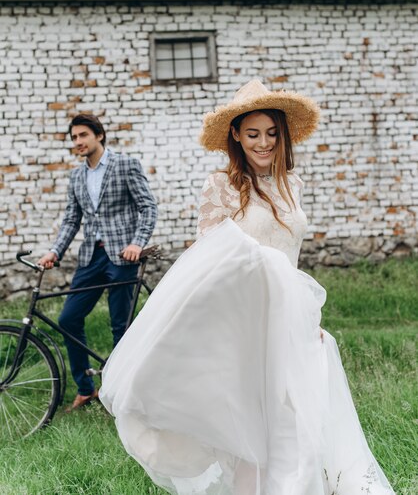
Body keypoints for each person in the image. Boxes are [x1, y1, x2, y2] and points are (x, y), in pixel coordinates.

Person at [99, 80, 394, 495]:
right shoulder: (221, 186)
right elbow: (209, 262)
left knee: (297, 425)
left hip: (292, 322)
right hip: (244, 325)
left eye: (272, 133)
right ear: (235, 135)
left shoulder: (294, 182)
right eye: (253, 134)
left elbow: (291, 256)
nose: (264, 143)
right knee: (252, 433)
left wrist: (308, 314)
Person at [39, 113, 157, 412]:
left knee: (120, 325)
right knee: (68, 319)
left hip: (122, 256)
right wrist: (55, 251)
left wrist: (137, 243)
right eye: (74, 138)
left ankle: (119, 395)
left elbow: (147, 206)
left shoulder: (125, 165)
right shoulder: (77, 176)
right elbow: (71, 219)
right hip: (91, 256)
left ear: (99, 136)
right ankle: (85, 388)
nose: (78, 142)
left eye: (83, 136)